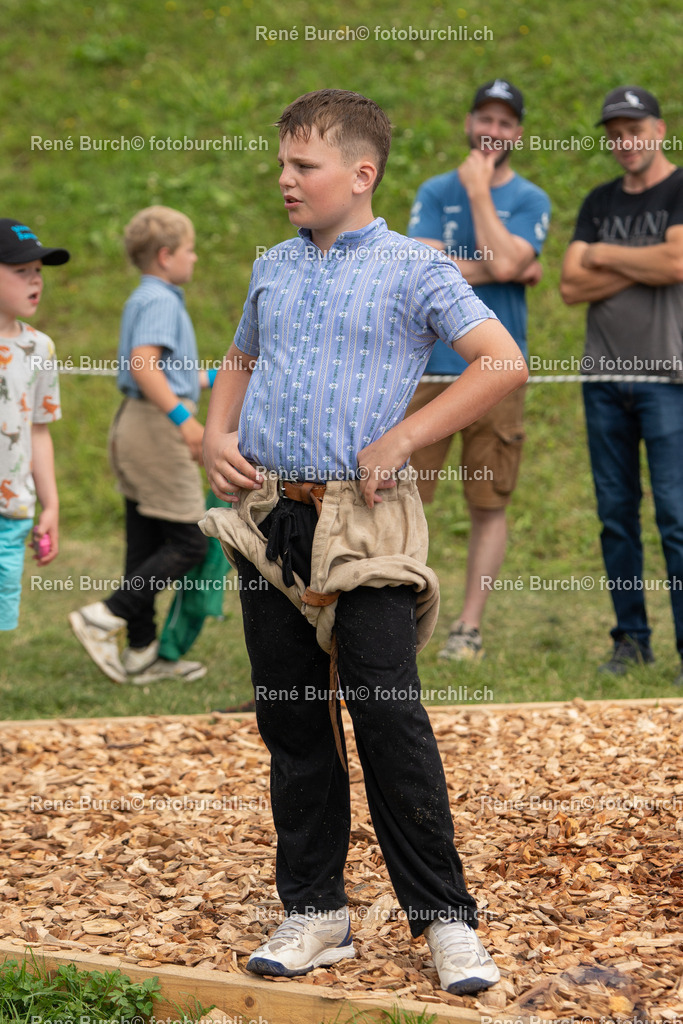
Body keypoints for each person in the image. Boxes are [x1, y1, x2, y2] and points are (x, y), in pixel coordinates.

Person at [201, 89, 527, 996]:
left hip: (365, 525)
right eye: (282, 164)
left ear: (360, 172)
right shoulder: (271, 264)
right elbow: (239, 357)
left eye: (302, 166)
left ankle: (446, 920)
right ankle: (316, 912)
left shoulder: (411, 269)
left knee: (387, 715)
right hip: (269, 524)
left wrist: (405, 439)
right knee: (291, 718)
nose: (284, 180)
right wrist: (219, 438)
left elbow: (500, 359)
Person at [407, 79, 550, 661]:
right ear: (468, 123)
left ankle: (468, 628)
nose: (493, 131)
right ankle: (397, 619)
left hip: (498, 373)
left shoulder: (531, 198)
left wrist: (479, 193)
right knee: (402, 496)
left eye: (505, 122)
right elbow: (416, 268)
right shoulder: (431, 190)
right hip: (428, 367)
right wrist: (507, 265)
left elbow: (512, 257)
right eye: (484, 119)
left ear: (517, 132)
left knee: (488, 501)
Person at [560, 86, 683, 682]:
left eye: (635, 129)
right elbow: (569, 285)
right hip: (603, 379)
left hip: (667, 377)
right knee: (616, 516)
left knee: (677, 519)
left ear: (659, 130)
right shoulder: (599, 199)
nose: (625, 142)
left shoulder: (680, 189)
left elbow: (679, 265)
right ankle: (631, 640)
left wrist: (604, 255)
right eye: (615, 133)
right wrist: (645, 261)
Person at [69, 206, 212, 684]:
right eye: (190, 250)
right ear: (167, 255)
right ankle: (103, 616)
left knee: (145, 539)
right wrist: (186, 424)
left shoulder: (147, 297)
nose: (196, 259)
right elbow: (145, 366)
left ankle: (140, 651)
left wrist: (225, 375)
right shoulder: (162, 302)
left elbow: (171, 375)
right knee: (192, 540)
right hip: (155, 427)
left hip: (136, 423)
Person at [0, 218, 69, 631]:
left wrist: (52, 505)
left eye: (38, 272)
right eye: (20, 270)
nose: (35, 281)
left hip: (14, 514)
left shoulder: (40, 346)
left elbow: (38, 429)